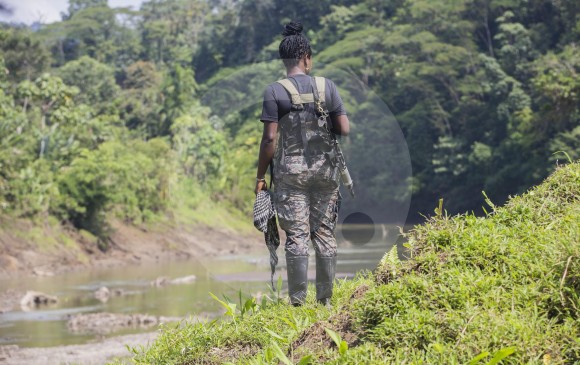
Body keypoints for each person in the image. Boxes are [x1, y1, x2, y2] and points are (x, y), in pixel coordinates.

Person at [254, 21, 350, 306]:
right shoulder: (327, 87)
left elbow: (269, 140)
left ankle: (297, 305)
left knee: (296, 236)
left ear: (284, 60)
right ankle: (326, 303)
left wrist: (260, 176)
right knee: (324, 233)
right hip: (325, 173)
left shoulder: (275, 91)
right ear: (306, 57)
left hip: (290, 175)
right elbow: (344, 128)